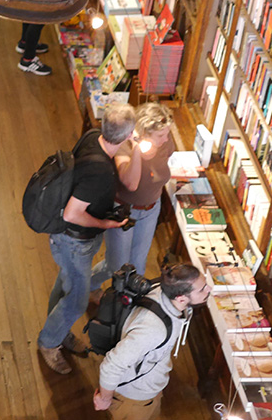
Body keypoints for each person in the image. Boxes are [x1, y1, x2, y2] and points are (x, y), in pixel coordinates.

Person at [37, 103, 136, 375]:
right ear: (129, 136)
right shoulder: (101, 172)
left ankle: (59, 330)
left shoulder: (93, 136)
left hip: (71, 241)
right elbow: (72, 214)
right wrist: (105, 223)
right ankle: (49, 342)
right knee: (77, 301)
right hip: (73, 241)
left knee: (65, 287)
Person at [94, 263, 211, 419]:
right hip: (135, 399)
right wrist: (104, 399)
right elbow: (111, 366)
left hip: (149, 388)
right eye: (202, 289)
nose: (209, 289)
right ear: (181, 298)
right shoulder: (152, 330)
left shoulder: (162, 288)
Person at [92, 103, 175, 293]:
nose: (166, 140)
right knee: (117, 266)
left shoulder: (165, 145)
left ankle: (126, 306)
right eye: (160, 136)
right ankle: (89, 285)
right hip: (123, 211)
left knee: (138, 264)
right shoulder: (124, 146)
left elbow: (159, 170)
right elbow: (131, 184)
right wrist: (137, 150)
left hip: (151, 209)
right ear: (143, 133)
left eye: (167, 134)